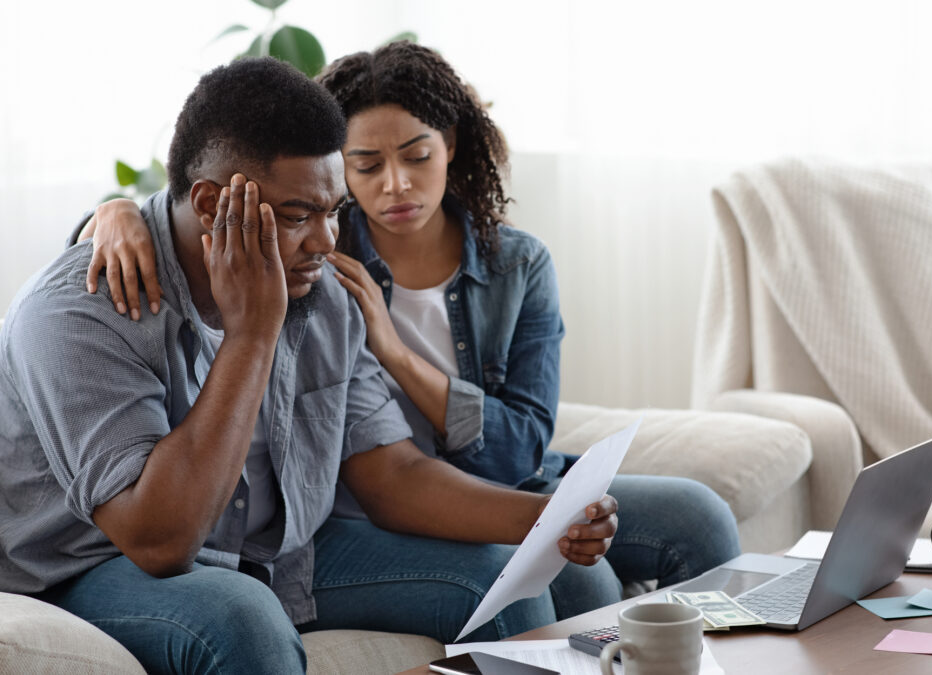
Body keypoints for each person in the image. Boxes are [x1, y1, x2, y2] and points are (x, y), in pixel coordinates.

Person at [0, 57, 622, 675]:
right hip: (91, 569)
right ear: (209, 204)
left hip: (273, 553)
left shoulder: (321, 290)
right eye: (296, 216)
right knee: (238, 611)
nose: (325, 241)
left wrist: (547, 520)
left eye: (333, 211)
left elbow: (390, 472)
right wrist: (251, 335)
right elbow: (158, 540)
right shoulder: (80, 312)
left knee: (495, 576)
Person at [82, 42, 740, 611]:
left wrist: (395, 353)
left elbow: (517, 451)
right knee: (584, 583)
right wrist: (114, 213)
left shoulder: (517, 264)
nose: (395, 184)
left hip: (498, 481)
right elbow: (180, 232)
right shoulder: (314, 256)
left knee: (699, 515)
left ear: (449, 146)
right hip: (370, 500)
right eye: (365, 166)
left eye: (417, 156)